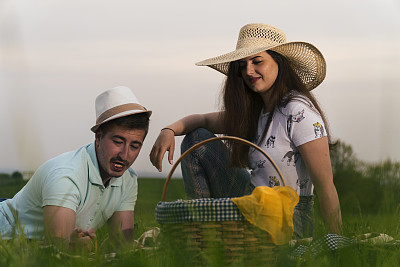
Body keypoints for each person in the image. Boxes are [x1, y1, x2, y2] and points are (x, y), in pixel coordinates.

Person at [150, 23, 342, 238]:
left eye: (257, 61)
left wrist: (338, 241)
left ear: (279, 62)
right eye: (242, 65)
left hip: (287, 215)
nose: (249, 71)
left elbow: (325, 186)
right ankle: (202, 230)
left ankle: (206, 236)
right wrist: (168, 130)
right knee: (196, 139)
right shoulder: (255, 112)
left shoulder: (298, 112)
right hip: (253, 202)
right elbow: (203, 119)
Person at [0, 86, 152, 249]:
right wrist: (74, 246)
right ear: (99, 137)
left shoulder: (128, 179)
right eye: (118, 142)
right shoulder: (66, 174)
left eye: (135, 146)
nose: (124, 155)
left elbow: (122, 245)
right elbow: (57, 249)